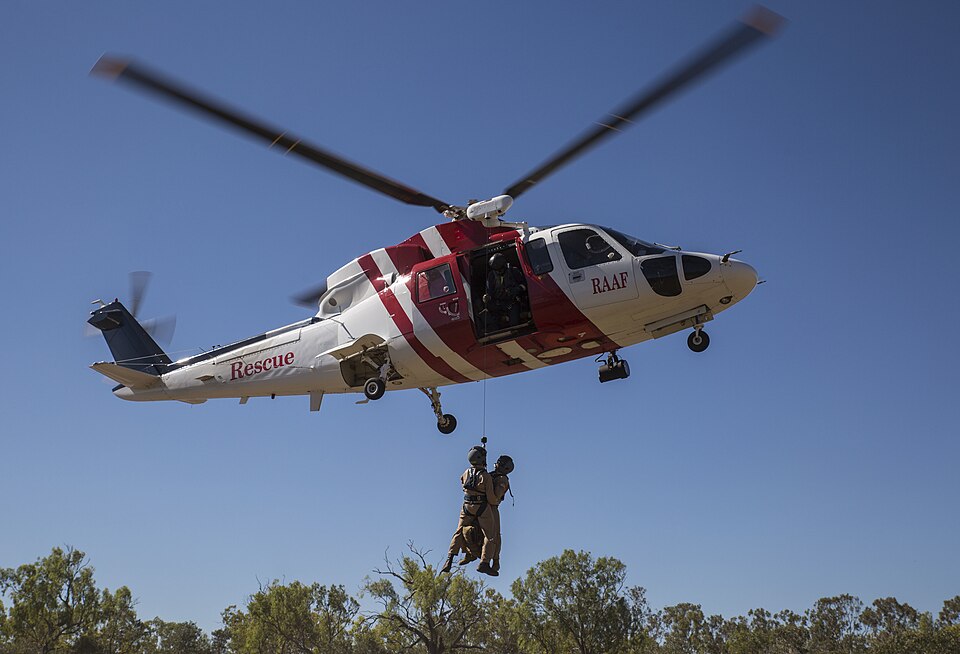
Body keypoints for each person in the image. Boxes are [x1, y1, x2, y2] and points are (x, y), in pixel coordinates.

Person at [441, 445, 499, 576]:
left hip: (466, 506)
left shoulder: (466, 473)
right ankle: (484, 562)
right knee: (490, 536)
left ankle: (449, 559)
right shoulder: (486, 476)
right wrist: (497, 501)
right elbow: (491, 498)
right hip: (482, 507)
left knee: (459, 531)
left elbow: (462, 484)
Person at [483, 253, 526, 332]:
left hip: (512, 302)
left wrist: (516, 290)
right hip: (498, 303)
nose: (498, 272)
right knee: (488, 317)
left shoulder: (514, 271)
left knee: (514, 322)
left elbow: (524, 286)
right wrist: (487, 296)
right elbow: (489, 291)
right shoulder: (491, 276)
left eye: (500, 269)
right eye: (496, 270)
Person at [488, 455, 514, 574]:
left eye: (500, 463)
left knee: (495, 535)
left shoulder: (502, 479)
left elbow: (496, 496)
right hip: (483, 505)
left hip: (492, 507)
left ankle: (495, 561)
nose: (496, 464)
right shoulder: (491, 475)